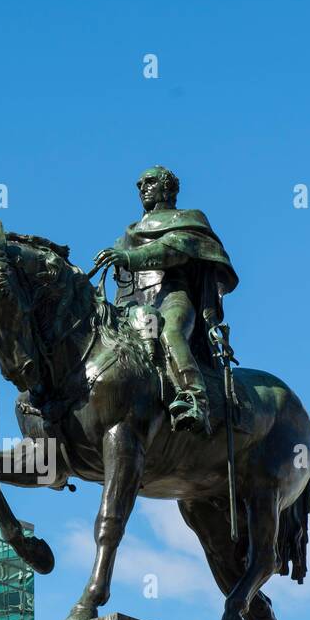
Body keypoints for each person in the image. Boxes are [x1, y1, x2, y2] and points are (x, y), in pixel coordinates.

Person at [94, 166, 238, 434]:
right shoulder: (126, 235)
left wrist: (128, 257)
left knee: (171, 333)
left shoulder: (188, 220)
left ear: (168, 188)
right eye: (138, 185)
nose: (142, 188)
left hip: (172, 295)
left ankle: (195, 398)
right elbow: (122, 283)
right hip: (134, 303)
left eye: (149, 182)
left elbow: (171, 251)